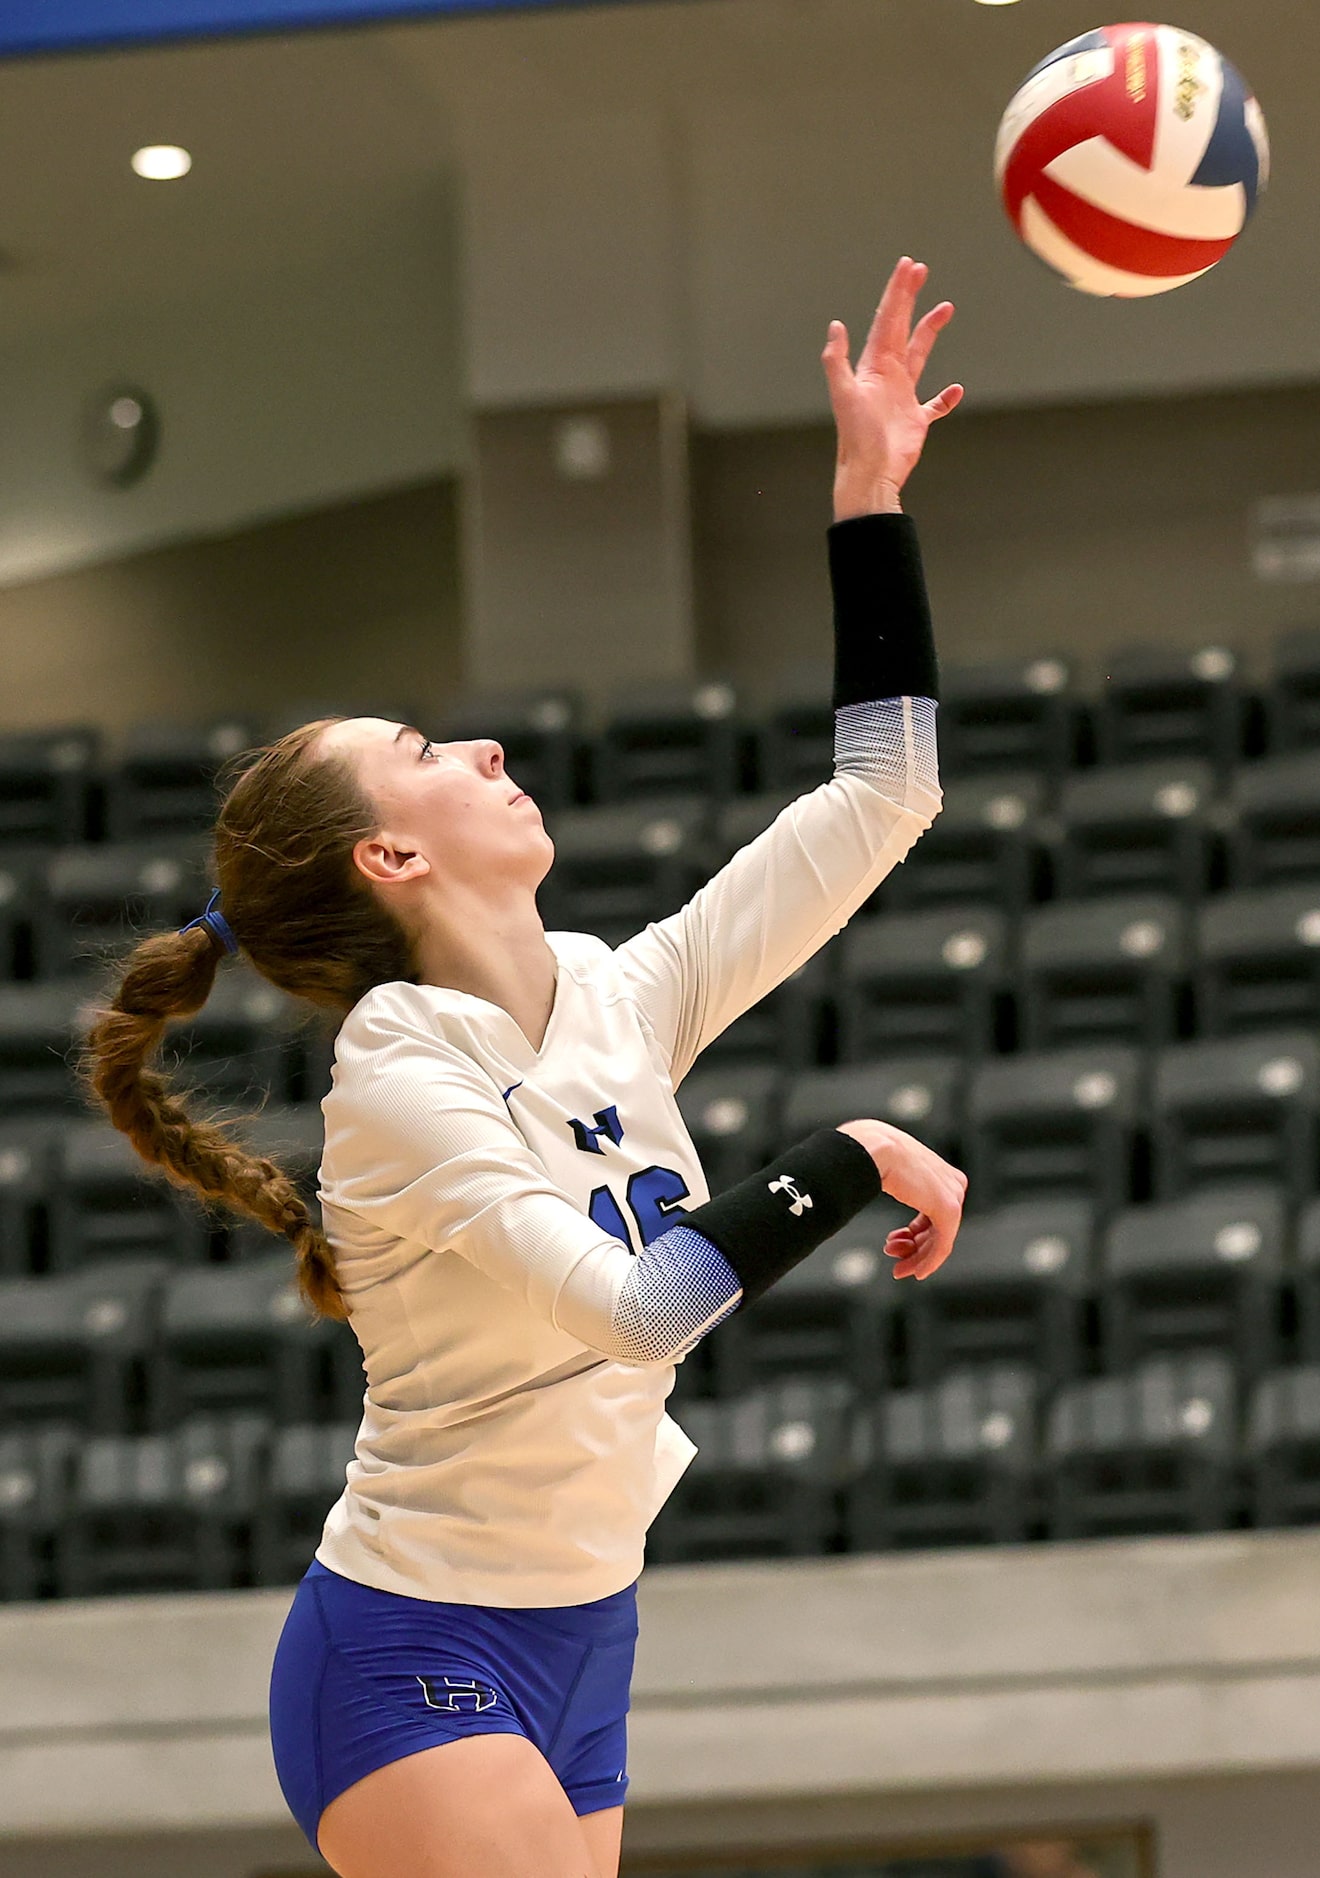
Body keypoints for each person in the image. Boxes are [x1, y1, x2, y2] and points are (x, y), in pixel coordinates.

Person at [83, 256, 968, 1878]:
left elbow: (884, 795)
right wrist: (844, 1155)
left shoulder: (612, 994)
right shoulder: (398, 1082)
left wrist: (864, 503)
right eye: (427, 755)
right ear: (388, 857)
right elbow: (637, 1305)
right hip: (414, 1647)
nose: (483, 748)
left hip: (587, 1628)